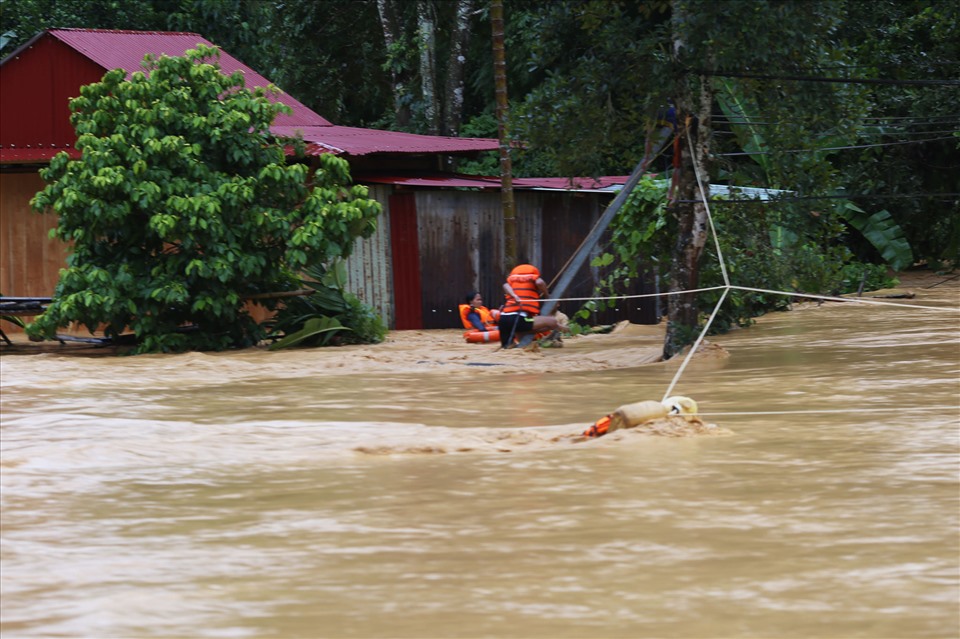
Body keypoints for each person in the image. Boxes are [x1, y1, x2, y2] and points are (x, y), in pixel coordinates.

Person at [498, 264, 564, 348]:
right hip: (519, 318)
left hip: (503, 319)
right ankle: (559, 329)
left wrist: (514, 295)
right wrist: (547, 295)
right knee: (553, 322)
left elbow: (505, 285)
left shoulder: (511, 283)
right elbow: (539, 282)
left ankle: (518, 337)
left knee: (510, 347)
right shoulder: (533, 278)